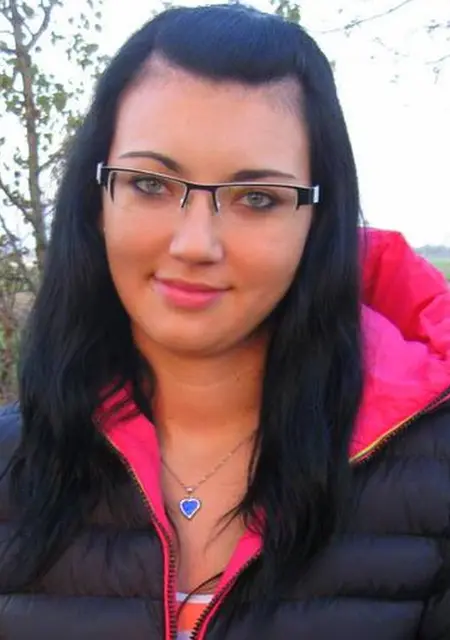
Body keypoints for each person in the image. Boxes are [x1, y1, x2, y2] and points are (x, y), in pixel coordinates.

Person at [0, 3, 449, 639]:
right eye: (150, 184)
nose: (195, 244)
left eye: (257, 198)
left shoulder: (435, 472)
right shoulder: (11, 461)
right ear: (96, 200)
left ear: (318, 221)